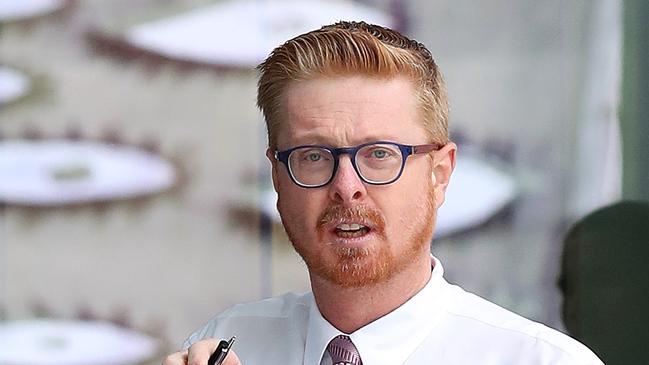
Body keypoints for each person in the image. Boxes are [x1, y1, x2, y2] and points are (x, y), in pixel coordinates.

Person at [163, 21, 604, 365]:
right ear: (279, 179)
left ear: (440, 174)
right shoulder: (226, 344)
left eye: (379, 154)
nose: (346, 187)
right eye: (314, 156)